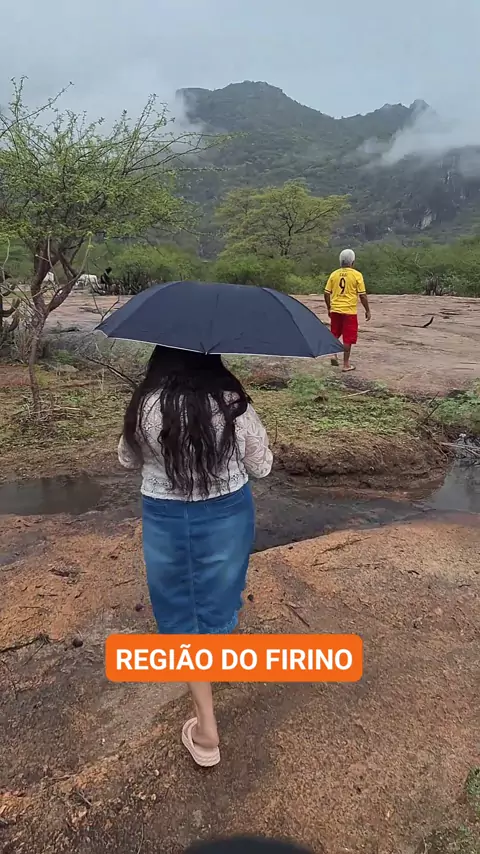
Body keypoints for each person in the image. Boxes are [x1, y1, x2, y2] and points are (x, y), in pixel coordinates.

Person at [118, 345, 273, 768]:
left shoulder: (146, 404)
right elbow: (261, 466)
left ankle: (206, 730)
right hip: (227, 516)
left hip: (166, 519)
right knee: (218, 595)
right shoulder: (231, 404)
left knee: (180, 608)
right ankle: (208, 690)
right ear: (211, 358)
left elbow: (126, 458)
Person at [324, 249, 371, 372]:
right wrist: (367, 310)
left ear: (340, 261)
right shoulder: (357, 275)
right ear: (353, 262)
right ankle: (346, 364)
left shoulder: (334, 274)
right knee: (348, 338)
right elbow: (362, 295)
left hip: (335, 310)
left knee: (334, 334)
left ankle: (332, 354)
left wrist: (329, 307)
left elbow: (326, 293)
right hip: (349, 311)